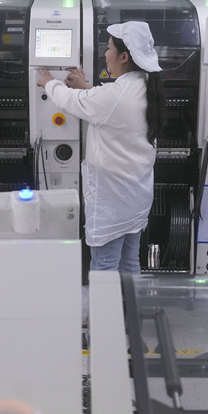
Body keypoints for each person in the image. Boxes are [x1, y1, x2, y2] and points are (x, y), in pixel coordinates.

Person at [36, 21, 166, 273]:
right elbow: (111, 106)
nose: (105, 54)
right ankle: (129, 300)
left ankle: (106, 302)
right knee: (130, 263)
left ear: (124, 57)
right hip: (136, 199)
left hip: (112, 203)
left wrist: (49, 82)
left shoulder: (115, 96)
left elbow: (69, 100)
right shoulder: (145, 83)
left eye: (108, 49)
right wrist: (86, 88)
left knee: (104, 269)